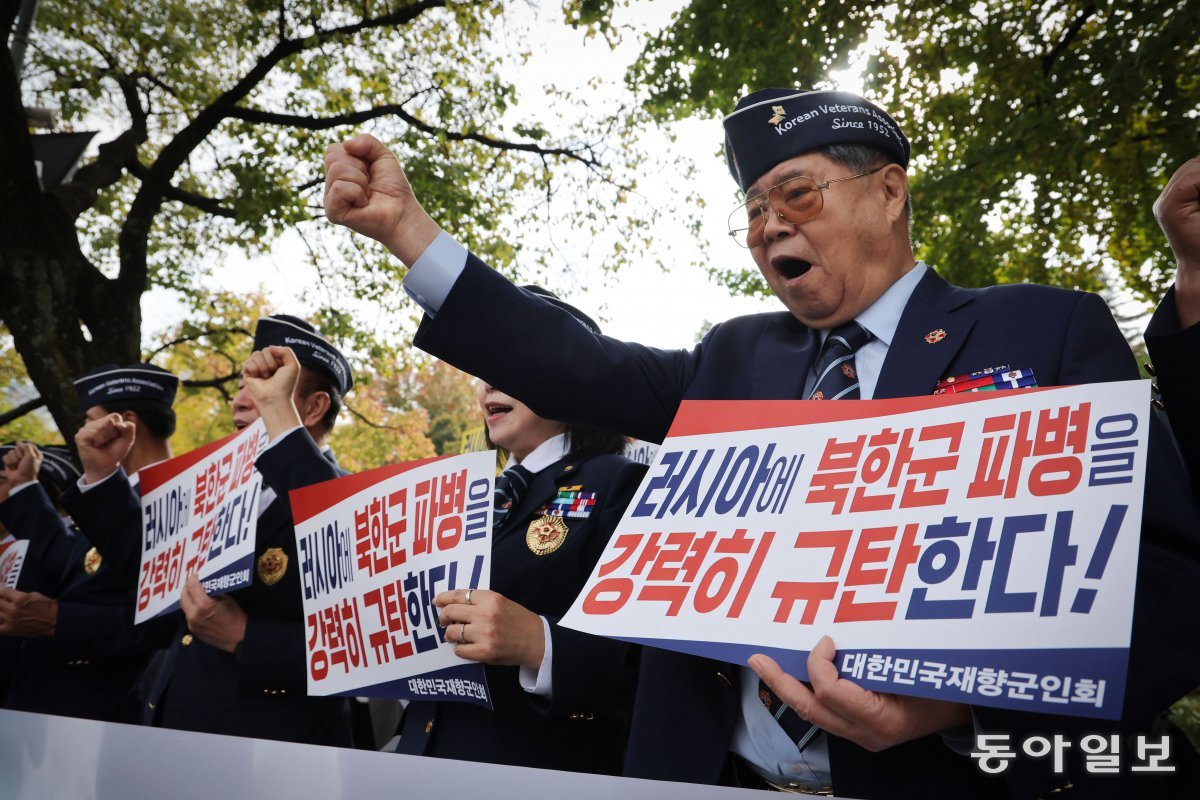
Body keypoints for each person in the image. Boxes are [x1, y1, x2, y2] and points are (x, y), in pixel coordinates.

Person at [325, 88, 1200, 798]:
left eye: (797, 193)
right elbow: (574, 364)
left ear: (889, 192)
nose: (769, 225)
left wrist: (955, 713)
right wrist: (411, 234)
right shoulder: (732, 356)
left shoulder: (1044, 330)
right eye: (753, 208)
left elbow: (1162, 591)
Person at [62, 314, 359, 746]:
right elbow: (151, 573)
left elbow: (362, 641)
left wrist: (246, 638)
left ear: (314, 408)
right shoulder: (218, 483)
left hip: (273, 750)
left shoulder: (344, 501)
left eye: (266, 384)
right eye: (241, 385)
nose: (239, 400)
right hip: (176, 725)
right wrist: (102, 478)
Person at [395, 290, 646, 773]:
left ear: (570, 375)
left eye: (511, 359)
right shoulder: (459, 499)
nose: (488, 380)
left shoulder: (619, 481)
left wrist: (540, 644)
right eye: (485, 364)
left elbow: (646, 662)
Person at [0, 364, 181, 722]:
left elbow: (167, 621)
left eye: (89, 419)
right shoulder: (109, 497)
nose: (81, 431)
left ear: (123, 422)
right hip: (49, 704)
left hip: (103, 713)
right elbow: (68, 561)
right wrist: (23, 488)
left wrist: (59, 620)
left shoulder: (176, 502)